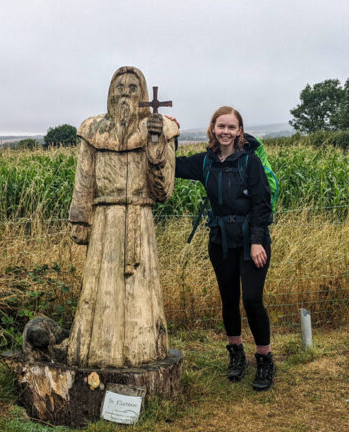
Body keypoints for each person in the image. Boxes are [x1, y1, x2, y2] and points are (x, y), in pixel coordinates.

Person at [66, 66, 179, 368]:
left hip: (140, 220)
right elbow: (84, 179)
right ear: (110, 92)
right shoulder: (94, 130)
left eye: (132, 88)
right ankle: (99, 351)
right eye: (120, 87)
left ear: (142, 93)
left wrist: (155, 144)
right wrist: (79, 218)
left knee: (139, 292)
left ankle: (143, 349)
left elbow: (163, 191)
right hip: (105, 221)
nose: (125, 94)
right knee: (103, 290)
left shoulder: (159, 129)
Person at [173, 106, 275, 391]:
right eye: (221, 126)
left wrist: (256, 241)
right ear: (213, 129)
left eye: (231, 127)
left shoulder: (250, 162)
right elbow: (173, 166)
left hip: (252, 241)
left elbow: (262, 203)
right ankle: (236, 354)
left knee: (252, 299)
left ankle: (265, 360)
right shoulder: (205, 162)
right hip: (220, 241)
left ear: (239, 130)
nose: (226, 132)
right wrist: (171, 134)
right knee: (229, 299)